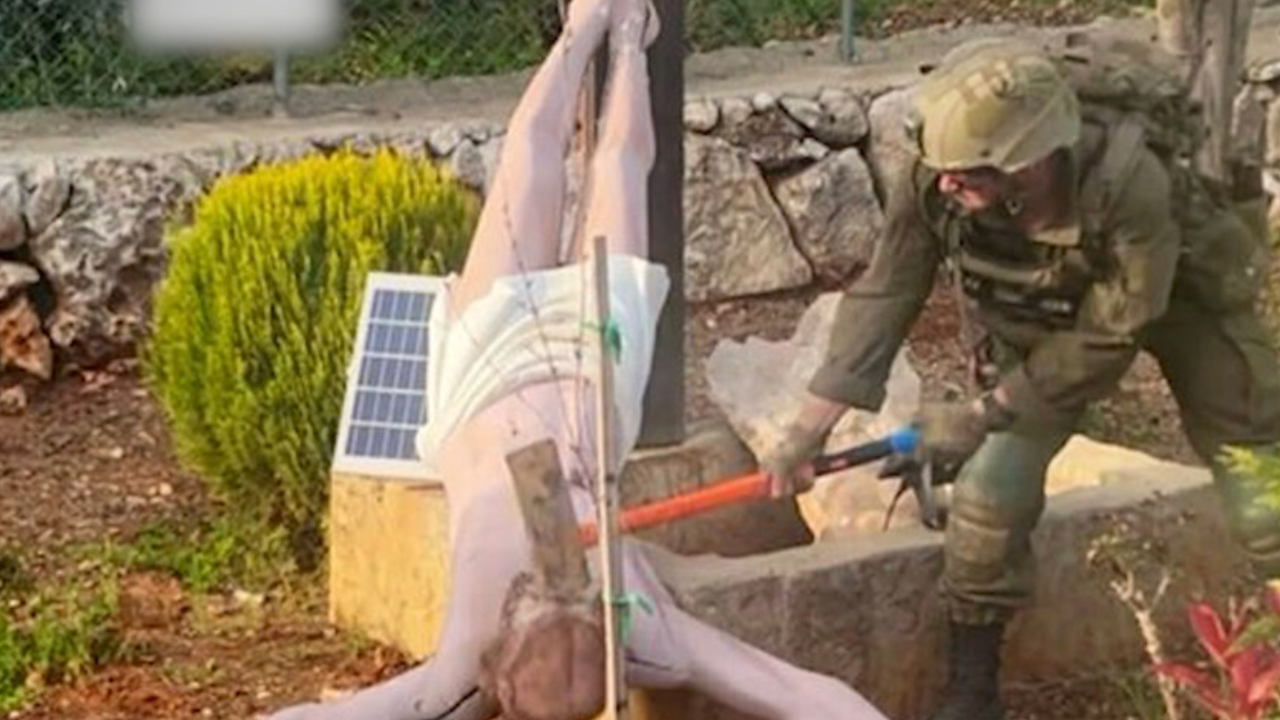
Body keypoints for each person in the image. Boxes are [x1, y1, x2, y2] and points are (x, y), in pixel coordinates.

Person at [261, 0, 891, 718]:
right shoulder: (645, 635)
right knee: (615, 169)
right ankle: (628, 36)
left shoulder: (459, 675)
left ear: (498, 672)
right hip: (589, 365)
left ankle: (586, 26)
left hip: (488, 370)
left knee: (532, 161)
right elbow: (807, 696)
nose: (557, 581)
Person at [763, 36, 1280, 720]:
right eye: (942, 169)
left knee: (1255, 462)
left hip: (1177, 296)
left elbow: (1111, 332)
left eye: (967, 173)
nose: (946, 184)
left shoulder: (1131, 180)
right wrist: (808, 429)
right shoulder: (938, 174)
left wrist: (982, 413)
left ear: (1029, 163)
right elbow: (887, 291)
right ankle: (972, 693)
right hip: (1044, 317)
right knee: (988, 494)